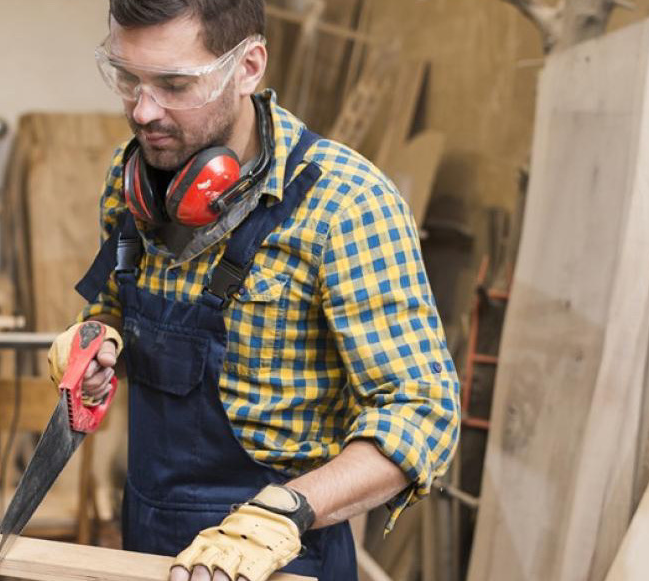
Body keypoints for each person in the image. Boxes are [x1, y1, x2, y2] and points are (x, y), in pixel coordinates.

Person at [46, 1, 461, 580]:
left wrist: (285, 513)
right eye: (127, 78)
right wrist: (98, 340)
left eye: (173, 84)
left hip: (280, 554)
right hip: (148, 542)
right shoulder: (133, 176)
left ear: (248, 67)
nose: (143, 111)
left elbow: (422, 414)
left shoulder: (346, 206)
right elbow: (115, 301)